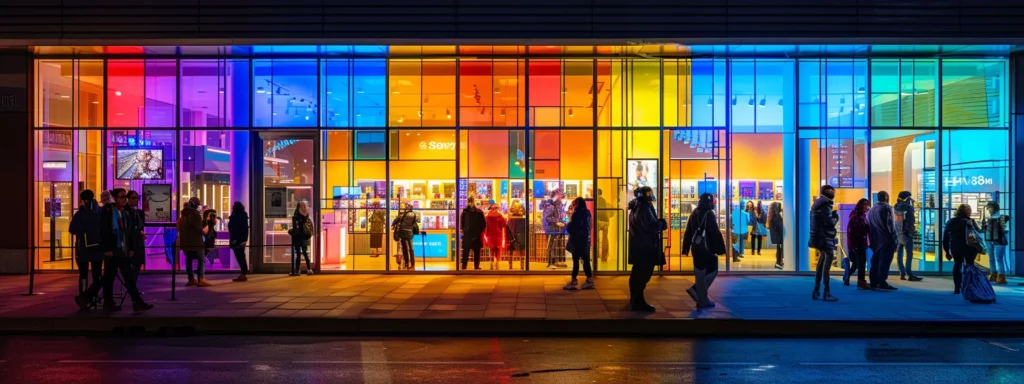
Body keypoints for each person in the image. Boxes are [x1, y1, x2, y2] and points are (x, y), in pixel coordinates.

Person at [74, 188, 153, 312]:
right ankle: (136, 302)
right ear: (114, 198)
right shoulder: (108, 211)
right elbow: (104, 231)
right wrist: (107, 248)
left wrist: (130, 247)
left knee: (108, 278)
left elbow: (127, 232)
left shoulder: (123, 212)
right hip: (114, 250)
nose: (124, 200)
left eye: (124, 197)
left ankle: (91, 298)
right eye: (121, 197)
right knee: (126, 277)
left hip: (121, 249)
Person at [682, 193, 727, 309]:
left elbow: (688, 232)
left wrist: (685, 248)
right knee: (712, 269)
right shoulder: (709, 214)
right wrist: (721, 248)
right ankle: (699, 294)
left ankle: (699, 295)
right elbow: (715, 232)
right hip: (706, 247)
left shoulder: (694, 213)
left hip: (695, 247)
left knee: (700, 272)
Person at [627, 186, 667, 312]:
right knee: (643, 274)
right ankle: (638, 300)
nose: (651, 195)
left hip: (639, 245)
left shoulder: (635, 207)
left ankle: (635, 298)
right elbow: (649, 225)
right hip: (646, 246)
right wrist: (661, 224)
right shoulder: (644, 207)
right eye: (649, 193)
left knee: (637, 273)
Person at [68, 189, 103, 295]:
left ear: (82, 200)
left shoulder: (80, 214)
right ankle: (94, 295)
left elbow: (72, 229)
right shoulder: (100, 212)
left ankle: (84, 296)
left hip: (82, 248)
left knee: (83, 275)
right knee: (97, 274)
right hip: (98, 247)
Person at [808, 185, 840, 302]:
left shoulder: (816, 204)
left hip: (817, 237)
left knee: (820, 265)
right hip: (825, 238)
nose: (834, 193)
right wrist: (836, 217)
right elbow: (829, 223)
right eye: (833, 191)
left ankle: (816, 290)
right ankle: (827, 292)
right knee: (826, 267)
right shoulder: (825, 205)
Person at [944, 204, 983, 294]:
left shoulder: (951, 221)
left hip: (956, 247)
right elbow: (978, 234)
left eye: (970, 209)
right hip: (969, 247)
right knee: (969, 266)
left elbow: (945, 237)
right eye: (968, 209)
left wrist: (947, 251)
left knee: (957, 265)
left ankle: (957, 286)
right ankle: (968, 285)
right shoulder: (970, 222)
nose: (970, 211)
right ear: (963, 211)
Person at [867, 191, 899, 291]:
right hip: (886, 239)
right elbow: (891, 225)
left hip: (875, 240)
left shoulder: (871, 210)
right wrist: (894, 238)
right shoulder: (887, 208)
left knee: (875, 261)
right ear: (886, 197)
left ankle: (874, 281)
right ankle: (882, 282)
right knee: (884, 262)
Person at [178, 197, 210, 287]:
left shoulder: (183, 215)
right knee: (201, 259)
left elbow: (179, 227)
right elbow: (199, 230)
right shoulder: (195, 215)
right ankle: (201, 278)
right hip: (196, 243)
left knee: (189, 260)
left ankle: (191, 278)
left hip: (186, 243)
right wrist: (206, 229)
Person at [563, 197, 594, 290]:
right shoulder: (587, 213)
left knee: (575, 261)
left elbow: (573, 227)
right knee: (586, 261)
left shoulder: (578, 213)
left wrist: (567, 225)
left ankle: (573, 281)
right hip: (585, 240)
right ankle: (589, 280)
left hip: (577, 240)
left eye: (573, 204)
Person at [894, 191, 922, 282]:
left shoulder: (896, 207)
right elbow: (910, 221)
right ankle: (909, 274)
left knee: (899, 255)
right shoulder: (908, 208)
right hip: (906, 234)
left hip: (899, 233)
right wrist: (911, 231)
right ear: (907, 198)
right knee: (909, 255)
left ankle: (902, 273)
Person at [844, 198, 872, 290]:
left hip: (858, 242)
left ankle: (847, 277)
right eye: (865, 205)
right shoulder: (856, 217)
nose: (866, 207)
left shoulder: (860, 215)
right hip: (857, 243)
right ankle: (861, 281)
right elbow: (856, 231)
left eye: (867, 205)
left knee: (857, 263)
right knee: (861, 263)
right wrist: (867, 228)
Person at [982, 201, 1010, 284]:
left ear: (994, 207)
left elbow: (1004, 229)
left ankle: (1001, 276)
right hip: (989, 239)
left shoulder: (1001, 216)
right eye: (988, 207)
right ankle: (993, 274)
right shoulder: (987, 217)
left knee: (998, 258)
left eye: (990, 207)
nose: (988, 209)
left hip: (998, 240)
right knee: (992, 258)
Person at [540, 189, 567, 269]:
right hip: (551, 228)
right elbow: (547, 217)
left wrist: (561, 220)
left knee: (554, 245)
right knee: (551, 245)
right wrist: (557, 222)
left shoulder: (556, 204)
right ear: (556, 195)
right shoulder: (550, 205)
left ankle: (554, 261)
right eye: (559, 195)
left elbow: (557, 215)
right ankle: (549, 262)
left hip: (555, 228)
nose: (560, 196)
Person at [460, 197, 487, 270]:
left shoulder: (469, 212)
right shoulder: (467, 212)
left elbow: (483, 224)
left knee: (473, 250)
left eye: (471, 201)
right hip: (471, 234)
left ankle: (472, 265)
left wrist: (480, 231)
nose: (471, 203)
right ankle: (468, 265)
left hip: (473, 234)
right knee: (469, 251)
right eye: (470, 201)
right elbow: (462, 224)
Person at [125, 191, 146, 277]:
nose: (136, 200)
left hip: (137, 242)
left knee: (137, 265)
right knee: (130, 267)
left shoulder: (138, 212)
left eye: (137, 198)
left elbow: (140, 226)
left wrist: (140, 233)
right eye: (133, 198)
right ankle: (131, 288)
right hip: (130, 243)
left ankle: (132, 288)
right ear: (128, 199)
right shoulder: (125, 212)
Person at [290, 201, 314, 276]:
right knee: (305, 253)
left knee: (298, 254)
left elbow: (295, 229)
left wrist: (290, 231)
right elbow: (311, 227)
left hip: (297, 238)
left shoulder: (295, 217)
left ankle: (297, 270)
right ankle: (309, 269)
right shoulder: (307, 216)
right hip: (305, 237)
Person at [392, 202, 419, 270]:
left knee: (404, 249)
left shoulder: (401, 216)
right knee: (411, 249)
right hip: (409, 233)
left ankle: (406, 264)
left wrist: (394, 227)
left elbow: (394, 223)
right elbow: (413, 224)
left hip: (403, 233)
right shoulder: (413, 214)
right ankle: (412, 265)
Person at [228, 202, 250, 282]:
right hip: (241, 240)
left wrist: (235, 240)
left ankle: (243, 273)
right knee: (241, 256)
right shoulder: (243, 216)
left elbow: (234, 229)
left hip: (237, 240)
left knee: (240, 257)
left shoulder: (236, 216)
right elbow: (244, 229)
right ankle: (243, 273)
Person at [483, 200, 507, 270]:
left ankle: (491, 263)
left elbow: (485, 226)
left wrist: (486, 236)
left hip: (490, 235)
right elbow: (503, 225)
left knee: (491, 250)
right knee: (498, 250)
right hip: (498, 235)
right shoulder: (500, 217)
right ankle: (497, 264)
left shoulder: (487, 217)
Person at [768, 201, 785, 269]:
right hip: (778, 235)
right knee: (779, 249)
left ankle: (779, 262)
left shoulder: (772, 215)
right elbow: (780, 225)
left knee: (779, 249)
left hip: (776, 235)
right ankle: (778, 262)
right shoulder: (776, 215)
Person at [596, 189, 612, 262]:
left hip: (598, 220)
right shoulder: (603, 200)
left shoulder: (596, 200)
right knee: (605, 238)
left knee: (595, 238)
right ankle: (604, 257)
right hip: (605, 220)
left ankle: (595, 256)